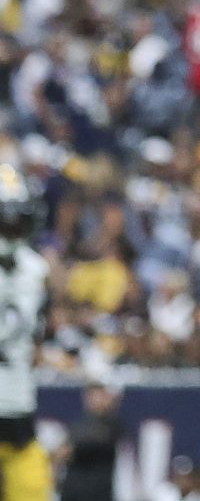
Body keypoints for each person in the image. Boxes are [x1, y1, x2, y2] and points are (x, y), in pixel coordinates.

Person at [0, 166, 51, 501]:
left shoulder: (34, 271)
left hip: (18, 418)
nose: (15, 227)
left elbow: (34, 341)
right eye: (8, 219)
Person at [56, 384, 121, 501]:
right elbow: (60, 453)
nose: (95, 400)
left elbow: (97, 441)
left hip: (98, 493)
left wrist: (72, 449)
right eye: (91, 396)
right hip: (73, 493)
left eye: (99, 396)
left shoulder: (113, 424)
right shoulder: (77, 425)